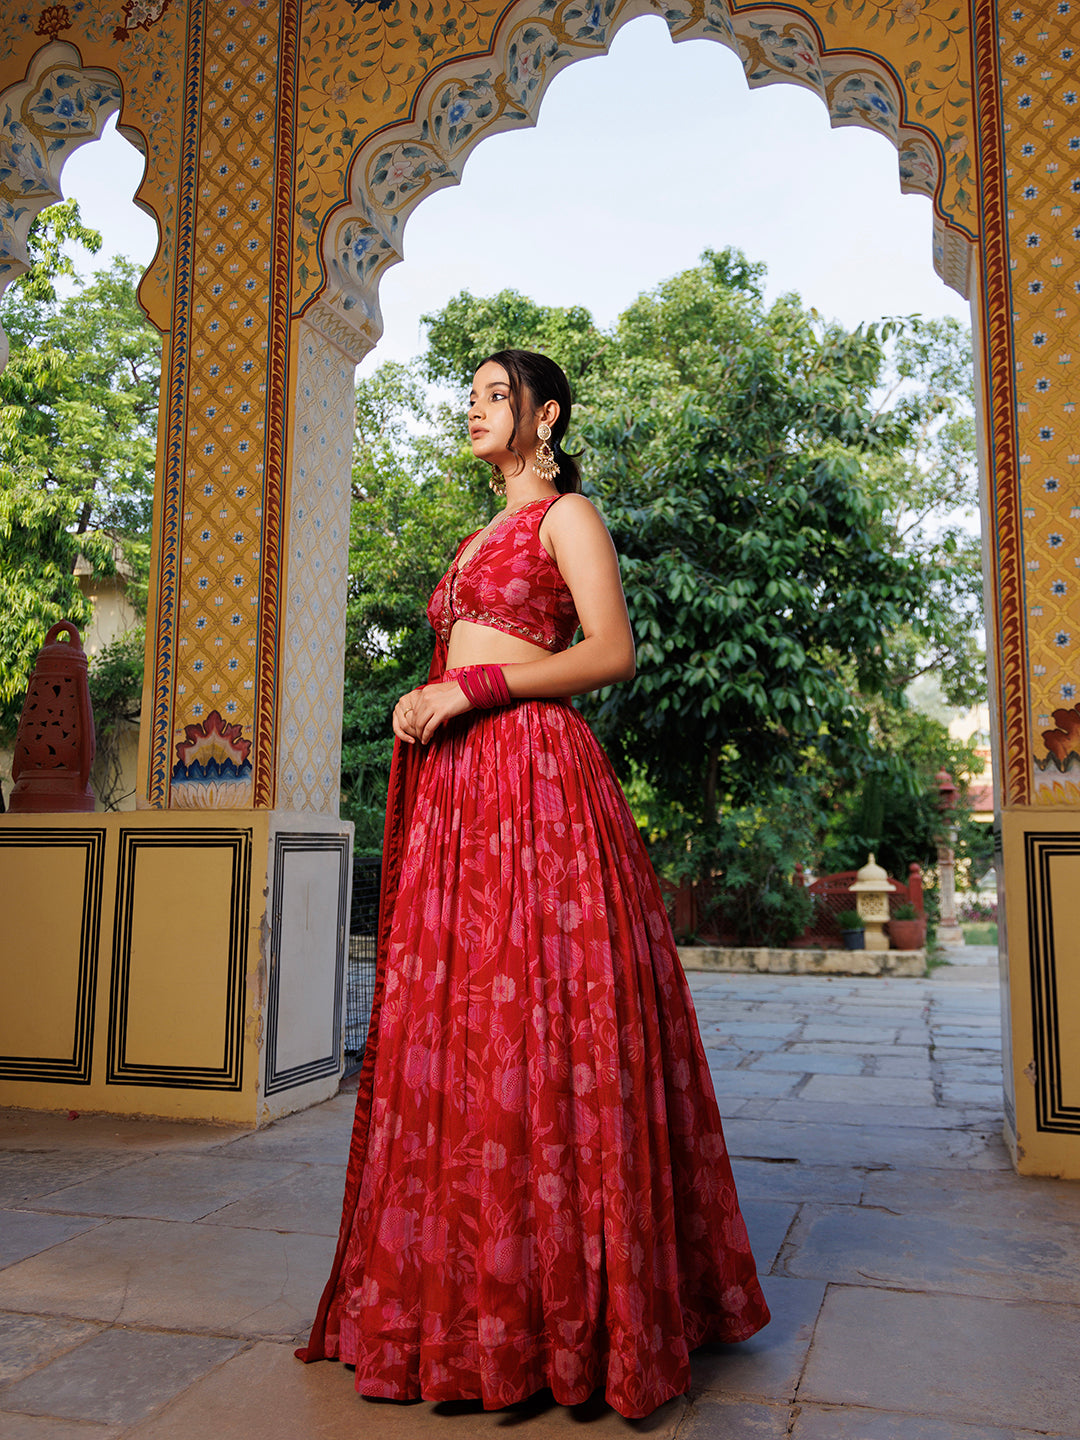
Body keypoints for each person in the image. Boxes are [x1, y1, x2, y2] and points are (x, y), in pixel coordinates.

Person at [297, 349, 770, 1419]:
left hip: (536, 784)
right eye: (470, 397)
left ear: (545, 415)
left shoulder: (568, 517)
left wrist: (475, 684)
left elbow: (613, 652)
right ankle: (459, 1308)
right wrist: (428, 701)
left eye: (495, 396)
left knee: (542, 1030)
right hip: (460, 794)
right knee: (460, 1037)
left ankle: (562, 1319)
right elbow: (460, 656)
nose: (475, 411)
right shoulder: (474, 539)